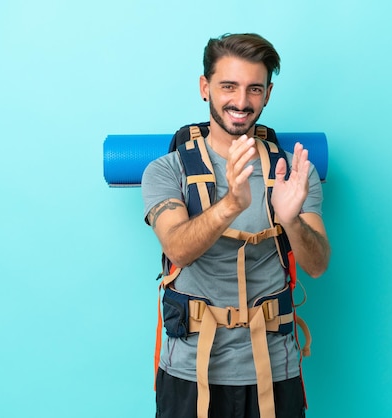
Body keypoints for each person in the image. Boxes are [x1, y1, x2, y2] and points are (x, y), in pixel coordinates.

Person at [141, 33, 330, 418]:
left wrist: (290, 218)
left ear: (268, 94)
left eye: (254, 89)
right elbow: (177, 248)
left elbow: (317, 264)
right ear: (205, 87)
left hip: (275, 370)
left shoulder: (292, 173)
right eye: (229, 86)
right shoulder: (166, 170)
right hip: (190, 372)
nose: (241, 102)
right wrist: (231, 205)